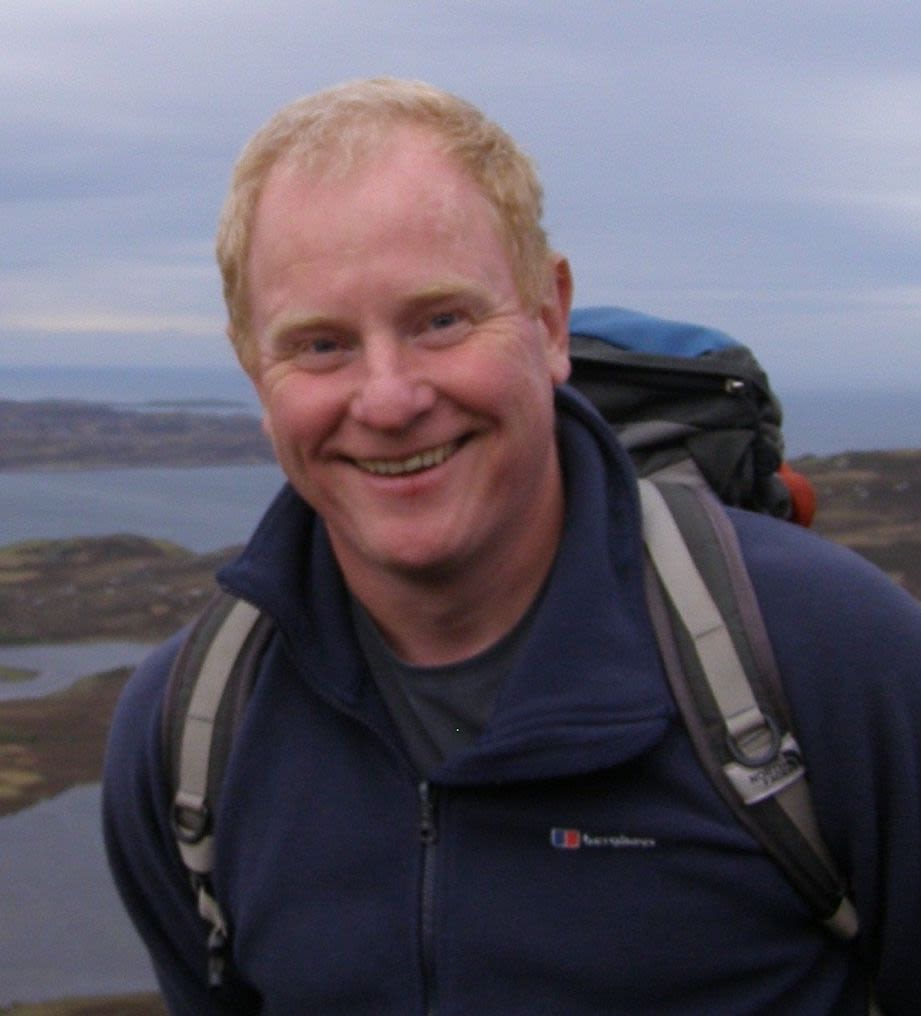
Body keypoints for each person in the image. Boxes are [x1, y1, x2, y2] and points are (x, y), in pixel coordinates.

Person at [103, 78, 921, 1014]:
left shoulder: (833, 662)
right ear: (254, 368)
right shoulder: (188, 733)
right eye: (320, 345)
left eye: (441, 321)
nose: (388, 398)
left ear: (548, 318)